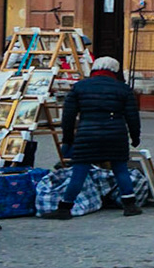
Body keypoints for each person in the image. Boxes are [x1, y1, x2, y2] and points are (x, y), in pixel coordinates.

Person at [55, 56, 143, 219]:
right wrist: (135, 136)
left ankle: (65, 207)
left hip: (87, 133)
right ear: (115, 70)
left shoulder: (79, 87)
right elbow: (132, 116)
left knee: (79, 171)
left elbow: (68, 116)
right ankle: (130, 205)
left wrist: (68, 139)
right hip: (115, 133)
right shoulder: (123, 89)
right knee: (120, 168)